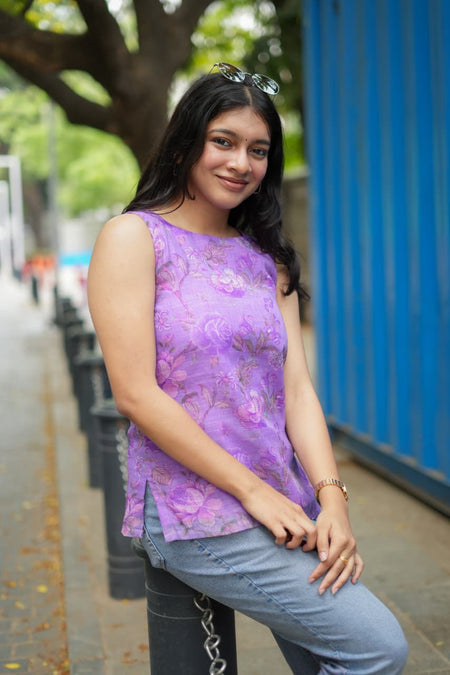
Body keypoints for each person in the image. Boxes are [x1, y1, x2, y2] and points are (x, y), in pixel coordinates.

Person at [87, 63, 408, 674]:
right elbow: (135, 394)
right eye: (224, 141)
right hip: (192, 510)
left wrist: (332, 499)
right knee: (376, 647)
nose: (241, 163)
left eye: (258, 150)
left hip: (284, 504)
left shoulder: (267, 259)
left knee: (333, 659)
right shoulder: (133, 238)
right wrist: (255, 494)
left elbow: (297, 390)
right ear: (185, 144)